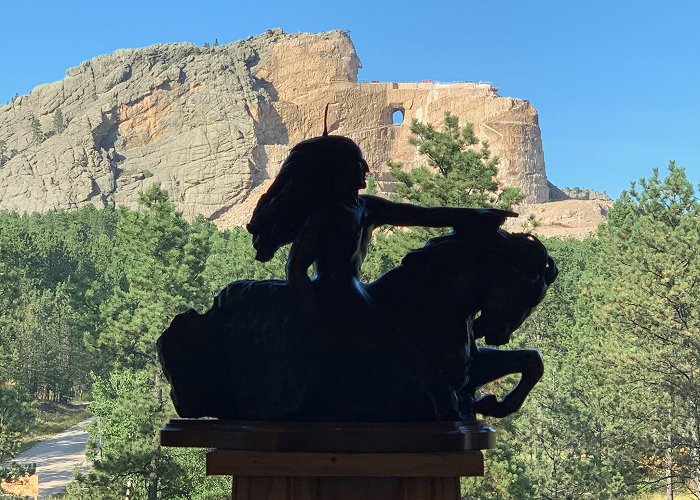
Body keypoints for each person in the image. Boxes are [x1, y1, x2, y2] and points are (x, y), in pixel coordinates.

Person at [247, 133, 516, 316]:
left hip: (357, 291)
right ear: (337, 170)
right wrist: (312, 316)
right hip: (334, 297)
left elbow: (421, 214)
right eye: (357, 163)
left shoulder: (366, 206)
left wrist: (474, 214)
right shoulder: (327, 213)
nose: (365, 168)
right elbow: (296, 267)